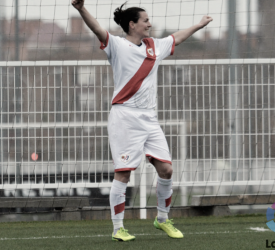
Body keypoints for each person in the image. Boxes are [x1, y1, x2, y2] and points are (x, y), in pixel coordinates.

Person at [72, 0, 212, 242]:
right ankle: (118, 228)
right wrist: (81, 9)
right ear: (132, 24)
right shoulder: (116, 45)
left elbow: (176, 38)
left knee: (166, 169)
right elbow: (97, 29)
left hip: (150, 119)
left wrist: (199, 25)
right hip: (125, 117)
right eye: (145, 20)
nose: (149, 23)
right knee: (124, 175)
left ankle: (162, 219)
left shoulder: (153, 46)